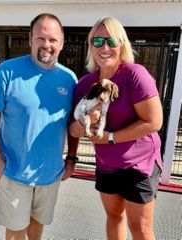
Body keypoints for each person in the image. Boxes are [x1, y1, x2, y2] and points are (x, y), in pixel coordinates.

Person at [0, 13, 79, 240]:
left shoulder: (69, 79)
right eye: (40, 38)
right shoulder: (7, 72)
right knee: (15, 232)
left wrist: (71, 158)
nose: (47, 45)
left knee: (37, 227)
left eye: (53, 40)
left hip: (51, 173)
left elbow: (74, 124)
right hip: (15, 171)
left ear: (62, 43)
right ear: (30, 38)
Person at [70, 17, 163, 240]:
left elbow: (153, 122)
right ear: (91, 45)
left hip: (138, 164)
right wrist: (85, 122)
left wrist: (109, 137)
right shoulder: (85, 84)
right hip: (107, 164)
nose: (105, 47)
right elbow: (73, 130)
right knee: (113, 217)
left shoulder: (134, 75)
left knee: (139, 227)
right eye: (98, 40)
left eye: (111, 41)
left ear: (122, 44)